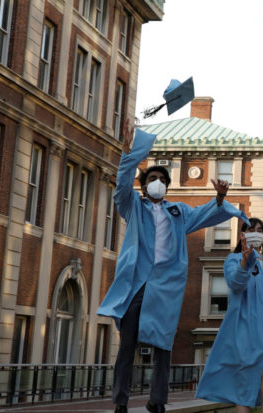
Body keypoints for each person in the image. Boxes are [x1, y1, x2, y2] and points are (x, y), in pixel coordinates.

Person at [97, 119, 249, 413]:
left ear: (167, 186)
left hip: (166, 285)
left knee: (163, 346)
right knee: (127, 344)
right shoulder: (133, 206)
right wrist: (129, 154)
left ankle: (157, 400)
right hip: (137, 283)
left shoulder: (177, 211)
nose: (158, 183)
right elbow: (121, 187)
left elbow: (205, 214)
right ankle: (120, 401)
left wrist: (219, 197)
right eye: (153, 178)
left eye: (162, 180)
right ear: (145, 185)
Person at [196, 218, 263, 412]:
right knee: (244, 392)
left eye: (260, 229)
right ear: (243, 235)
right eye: (251, 229)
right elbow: (236, 284)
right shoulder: (233, 260)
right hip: (245, 336)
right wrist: (245, 261)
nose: (256, 232)